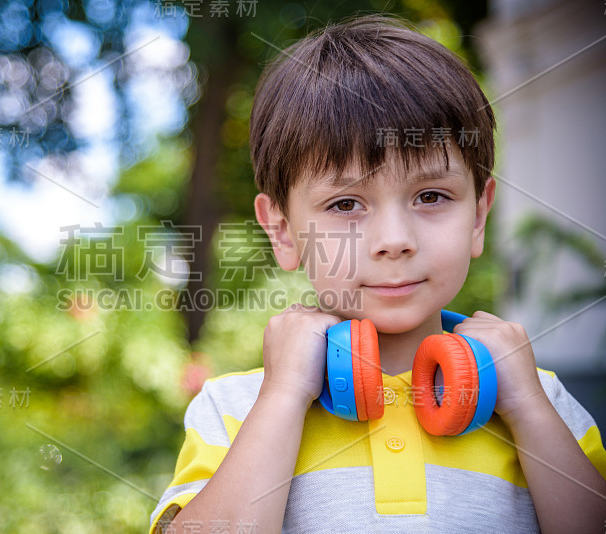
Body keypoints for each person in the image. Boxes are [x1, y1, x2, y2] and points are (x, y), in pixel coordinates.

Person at [149, 14, 606, 533]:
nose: (395, 239)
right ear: (282, 230)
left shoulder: (540, 400)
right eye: (346, 203)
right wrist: (283, 398)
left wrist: (526, 408)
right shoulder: (235, 410)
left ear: (479, 216)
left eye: (431, 196)